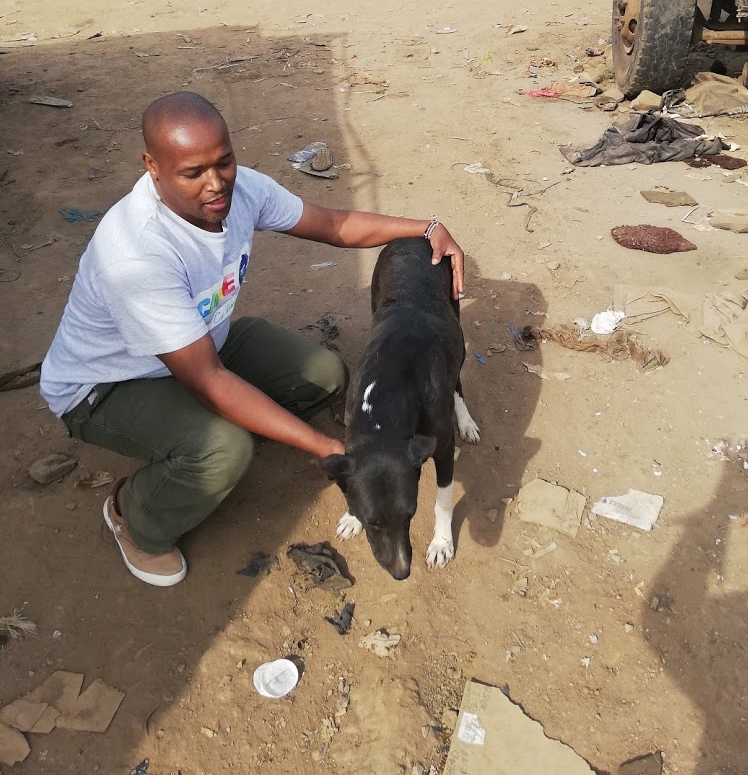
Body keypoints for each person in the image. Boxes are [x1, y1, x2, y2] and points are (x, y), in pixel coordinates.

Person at [40, 91, 464, 588]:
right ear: (152, 166)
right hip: (107, 385)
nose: (215, 183)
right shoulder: (135, 256)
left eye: (224, 161)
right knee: (225, 449)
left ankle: (213, 426)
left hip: (202, 343)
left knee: (326, 375)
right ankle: (134, 518)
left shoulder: (238, 191)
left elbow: (331, 224)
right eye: (193, 172)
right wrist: (327, 447)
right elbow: (208, 380)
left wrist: (426, 229)